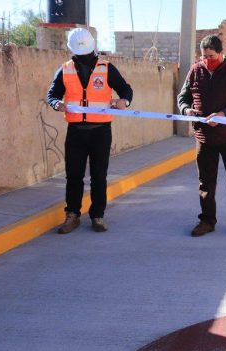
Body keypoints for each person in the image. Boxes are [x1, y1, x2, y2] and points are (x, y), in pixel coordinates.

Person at [46, 27, 133, 234]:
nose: (82, 56)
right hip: (76, 131)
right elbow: (52, 94)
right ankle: (72, 214)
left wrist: (125, 101)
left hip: (100, 132)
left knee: (98, 176)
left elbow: (125, 89)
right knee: (73, 176)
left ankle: (97, 215)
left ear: (92, 49)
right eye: (78, 53)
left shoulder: (106, 68)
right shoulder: (65, 69)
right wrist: (57, 103)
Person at [178, 35, 226, 238]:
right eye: (203, 56)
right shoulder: (195, 70)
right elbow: (183, 97)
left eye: (211, 56)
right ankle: (207, 220)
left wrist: (224, 115)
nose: (207, 60)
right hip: (204, 138)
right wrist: (187, 110)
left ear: (221, 53)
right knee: (206, 182)